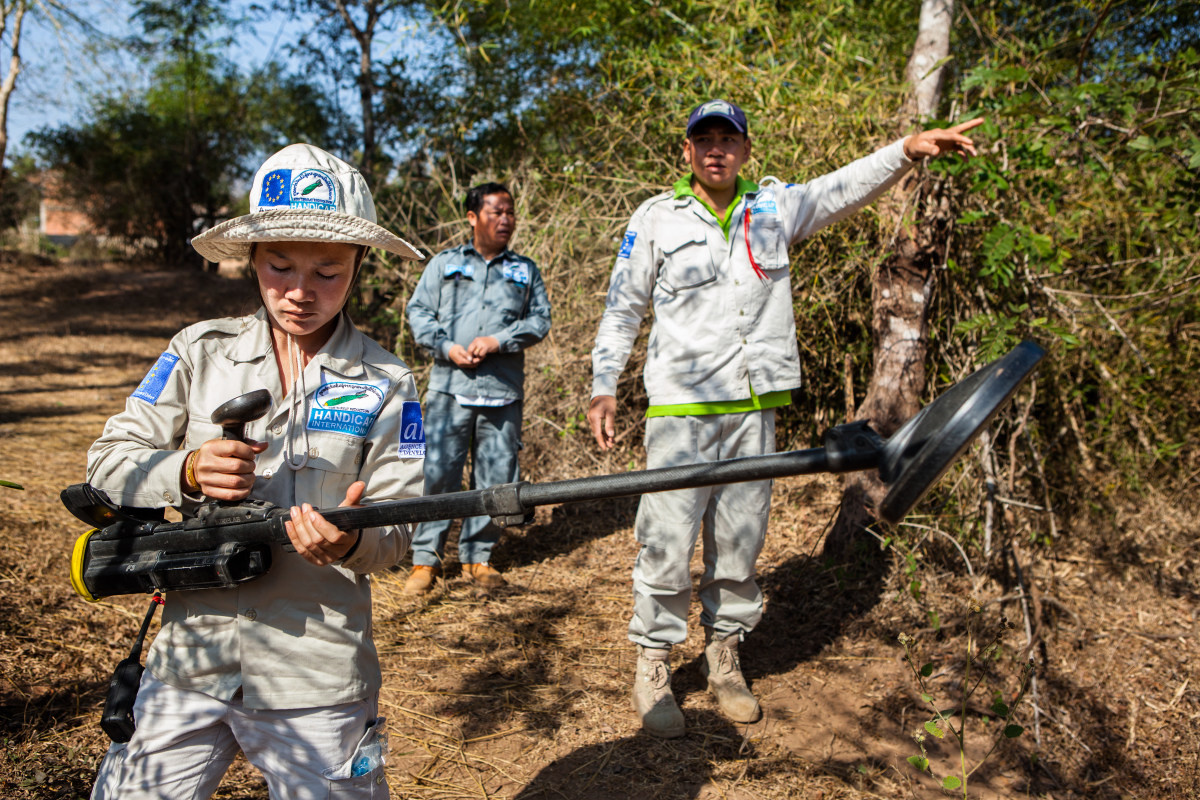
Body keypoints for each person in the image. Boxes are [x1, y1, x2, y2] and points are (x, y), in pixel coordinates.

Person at [586, 99, 983, 738]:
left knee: (740, 543)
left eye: (728, 139)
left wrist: (907, 148)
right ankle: (654, 664)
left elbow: (841, 189)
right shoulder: (656, 219)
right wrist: (604, 385)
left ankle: (723, 658)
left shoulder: (773, 209)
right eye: (703, 139)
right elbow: (622, 307)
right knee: (664, 543)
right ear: (686, 152)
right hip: (680, 412)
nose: (716, 148)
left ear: (746, 150)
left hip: (754, 411)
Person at [86, 143, 427, 798]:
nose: (301, 292)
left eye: (328, 271)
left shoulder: (389, 381)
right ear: (251, 260)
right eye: (279, 266)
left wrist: (352, 542)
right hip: (189, 661)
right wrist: (186, 469)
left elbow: (403, 525)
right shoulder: (197, 352)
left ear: (359, 266)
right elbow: (108, 463)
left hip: (318, 678)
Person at [403, 182, 551, 595]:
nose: (505, 220)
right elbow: (419, 312)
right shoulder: (444, 263)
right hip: (451, 389)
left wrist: (499, 340)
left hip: (502, 391)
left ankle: (478, 557)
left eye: (510, 212)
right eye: (495, 212)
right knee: (438, 475)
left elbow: (540, 320)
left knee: (495, 476)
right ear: (472, 218)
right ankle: (424, 560)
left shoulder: (524, 269)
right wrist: (447, 347)